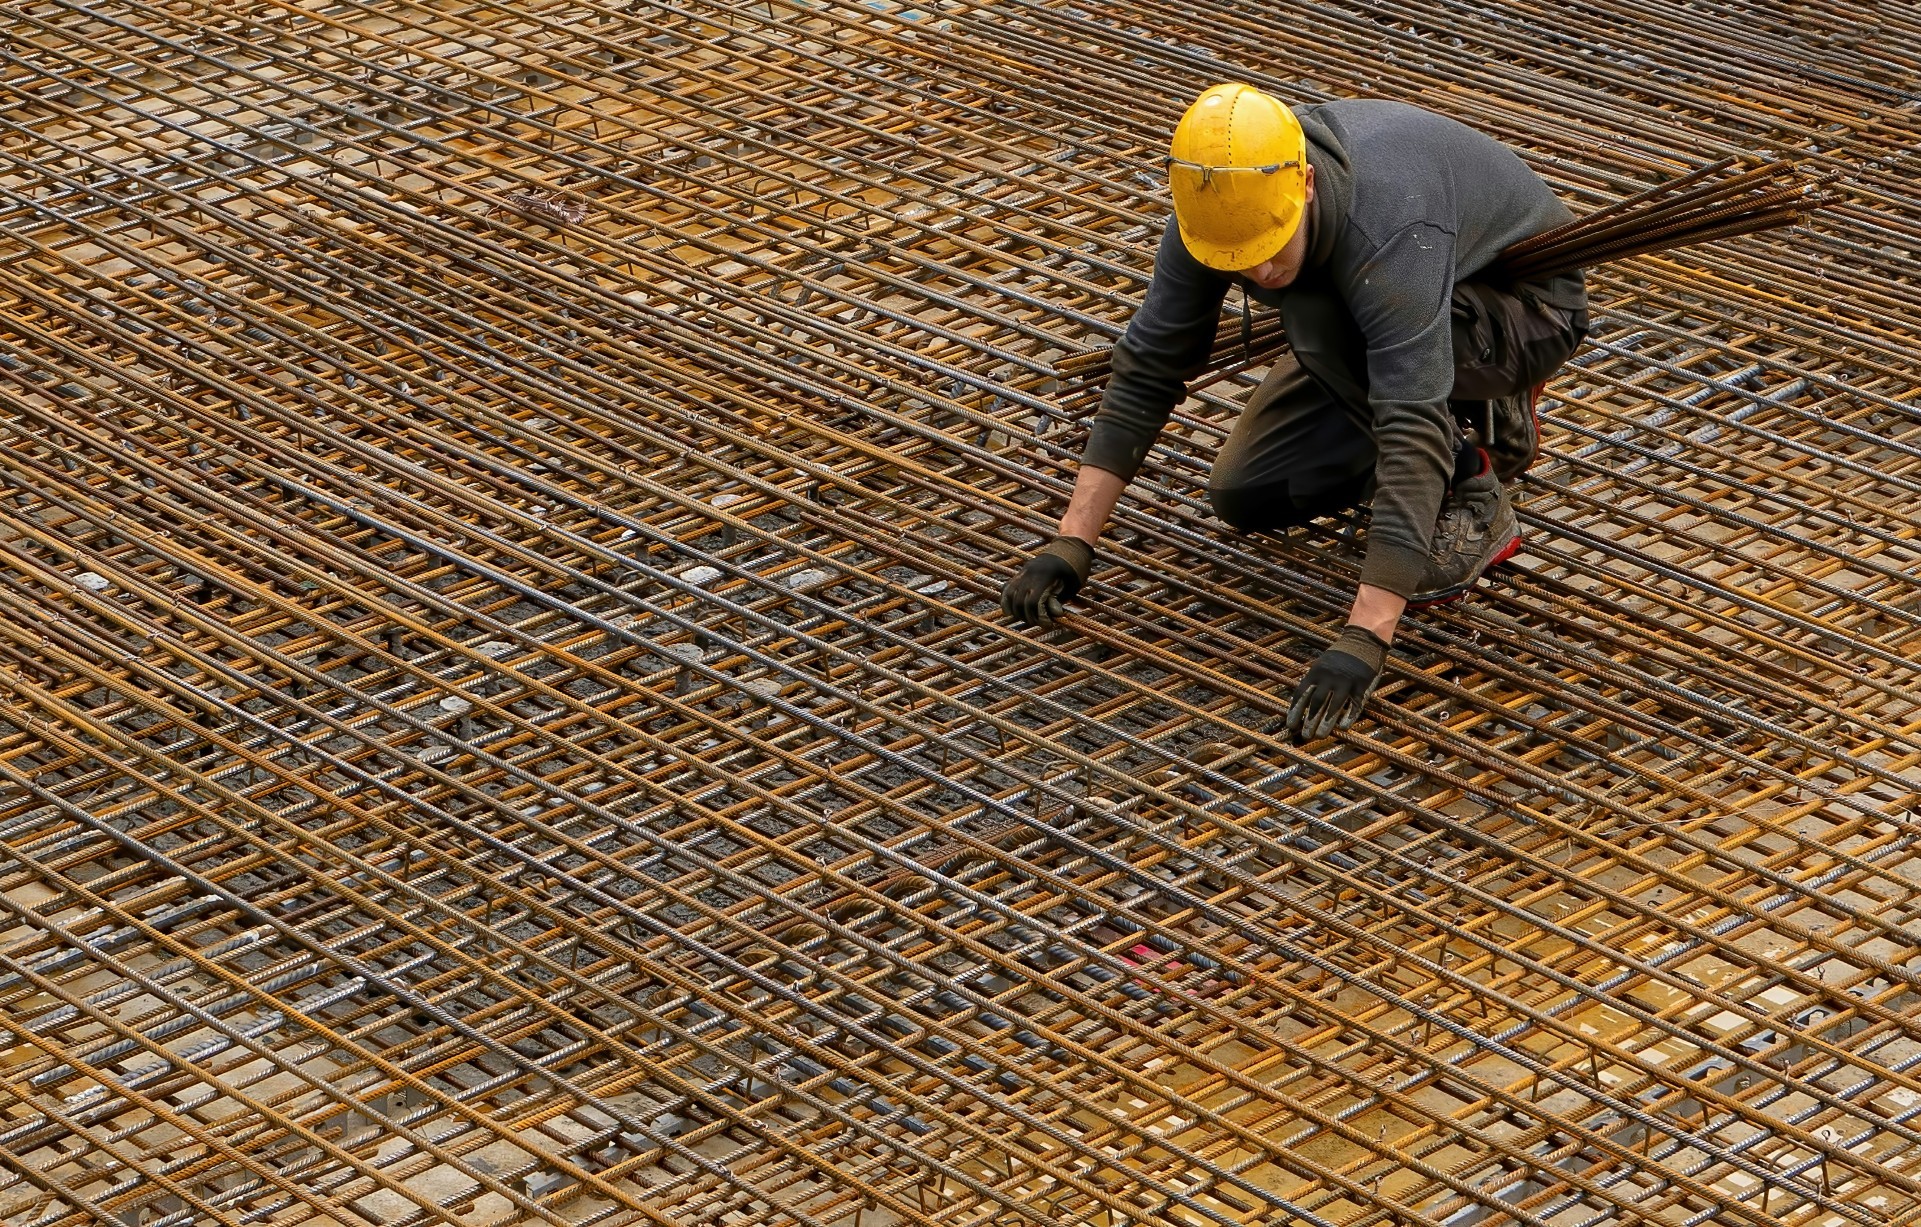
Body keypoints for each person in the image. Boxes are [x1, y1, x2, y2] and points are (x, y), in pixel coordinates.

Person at [1000, 84, 1588, 741]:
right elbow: (1148, 363)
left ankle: (1474, 480)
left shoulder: (1387, 223)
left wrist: (1364, 635)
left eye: (1268, 245)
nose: (1256, 269)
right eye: (1238, 261)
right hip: (1376, 314)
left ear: (1304, 184)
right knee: (1247, 494)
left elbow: (1408, 422)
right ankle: (1458, 407)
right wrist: (1071, 540)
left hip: (1520, 308)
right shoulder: (1212, 204)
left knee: (1315, 313)